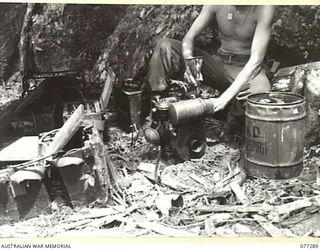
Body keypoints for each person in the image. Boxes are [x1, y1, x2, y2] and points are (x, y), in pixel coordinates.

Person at [146, 5, 275, 141]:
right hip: (219, 64)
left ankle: (232, 126)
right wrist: (189, 60)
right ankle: (157, 113)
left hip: (247, 67)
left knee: (261, 91)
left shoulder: (264, 8)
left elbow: (255, 61)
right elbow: (189, 37)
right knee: (165, 46)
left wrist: (223, 100)